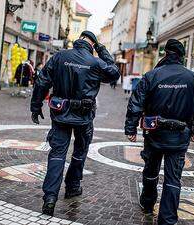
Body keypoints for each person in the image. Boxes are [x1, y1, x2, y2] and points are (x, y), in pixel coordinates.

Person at [30, 31, 120, 216]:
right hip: (84, 116)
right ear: (92, 45)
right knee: (79, 152)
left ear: (78, 40)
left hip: (60, 112)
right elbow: (114, 73)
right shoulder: (95, 62)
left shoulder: (60, 56)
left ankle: (50, 198)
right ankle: (72, 186)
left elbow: (42, 81)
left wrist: (36, 106)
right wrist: (101, 50)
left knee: (57, 154)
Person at [124, 39, 194, 225]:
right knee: (173, 178)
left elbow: (135, 103)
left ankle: (147, 202)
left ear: (166, 53)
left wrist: (131, 128)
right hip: (179, 136)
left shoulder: (152, 75)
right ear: (182, 56)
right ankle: (168, 219)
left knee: (151, 170)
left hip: (154, 134)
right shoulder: (192, 78)